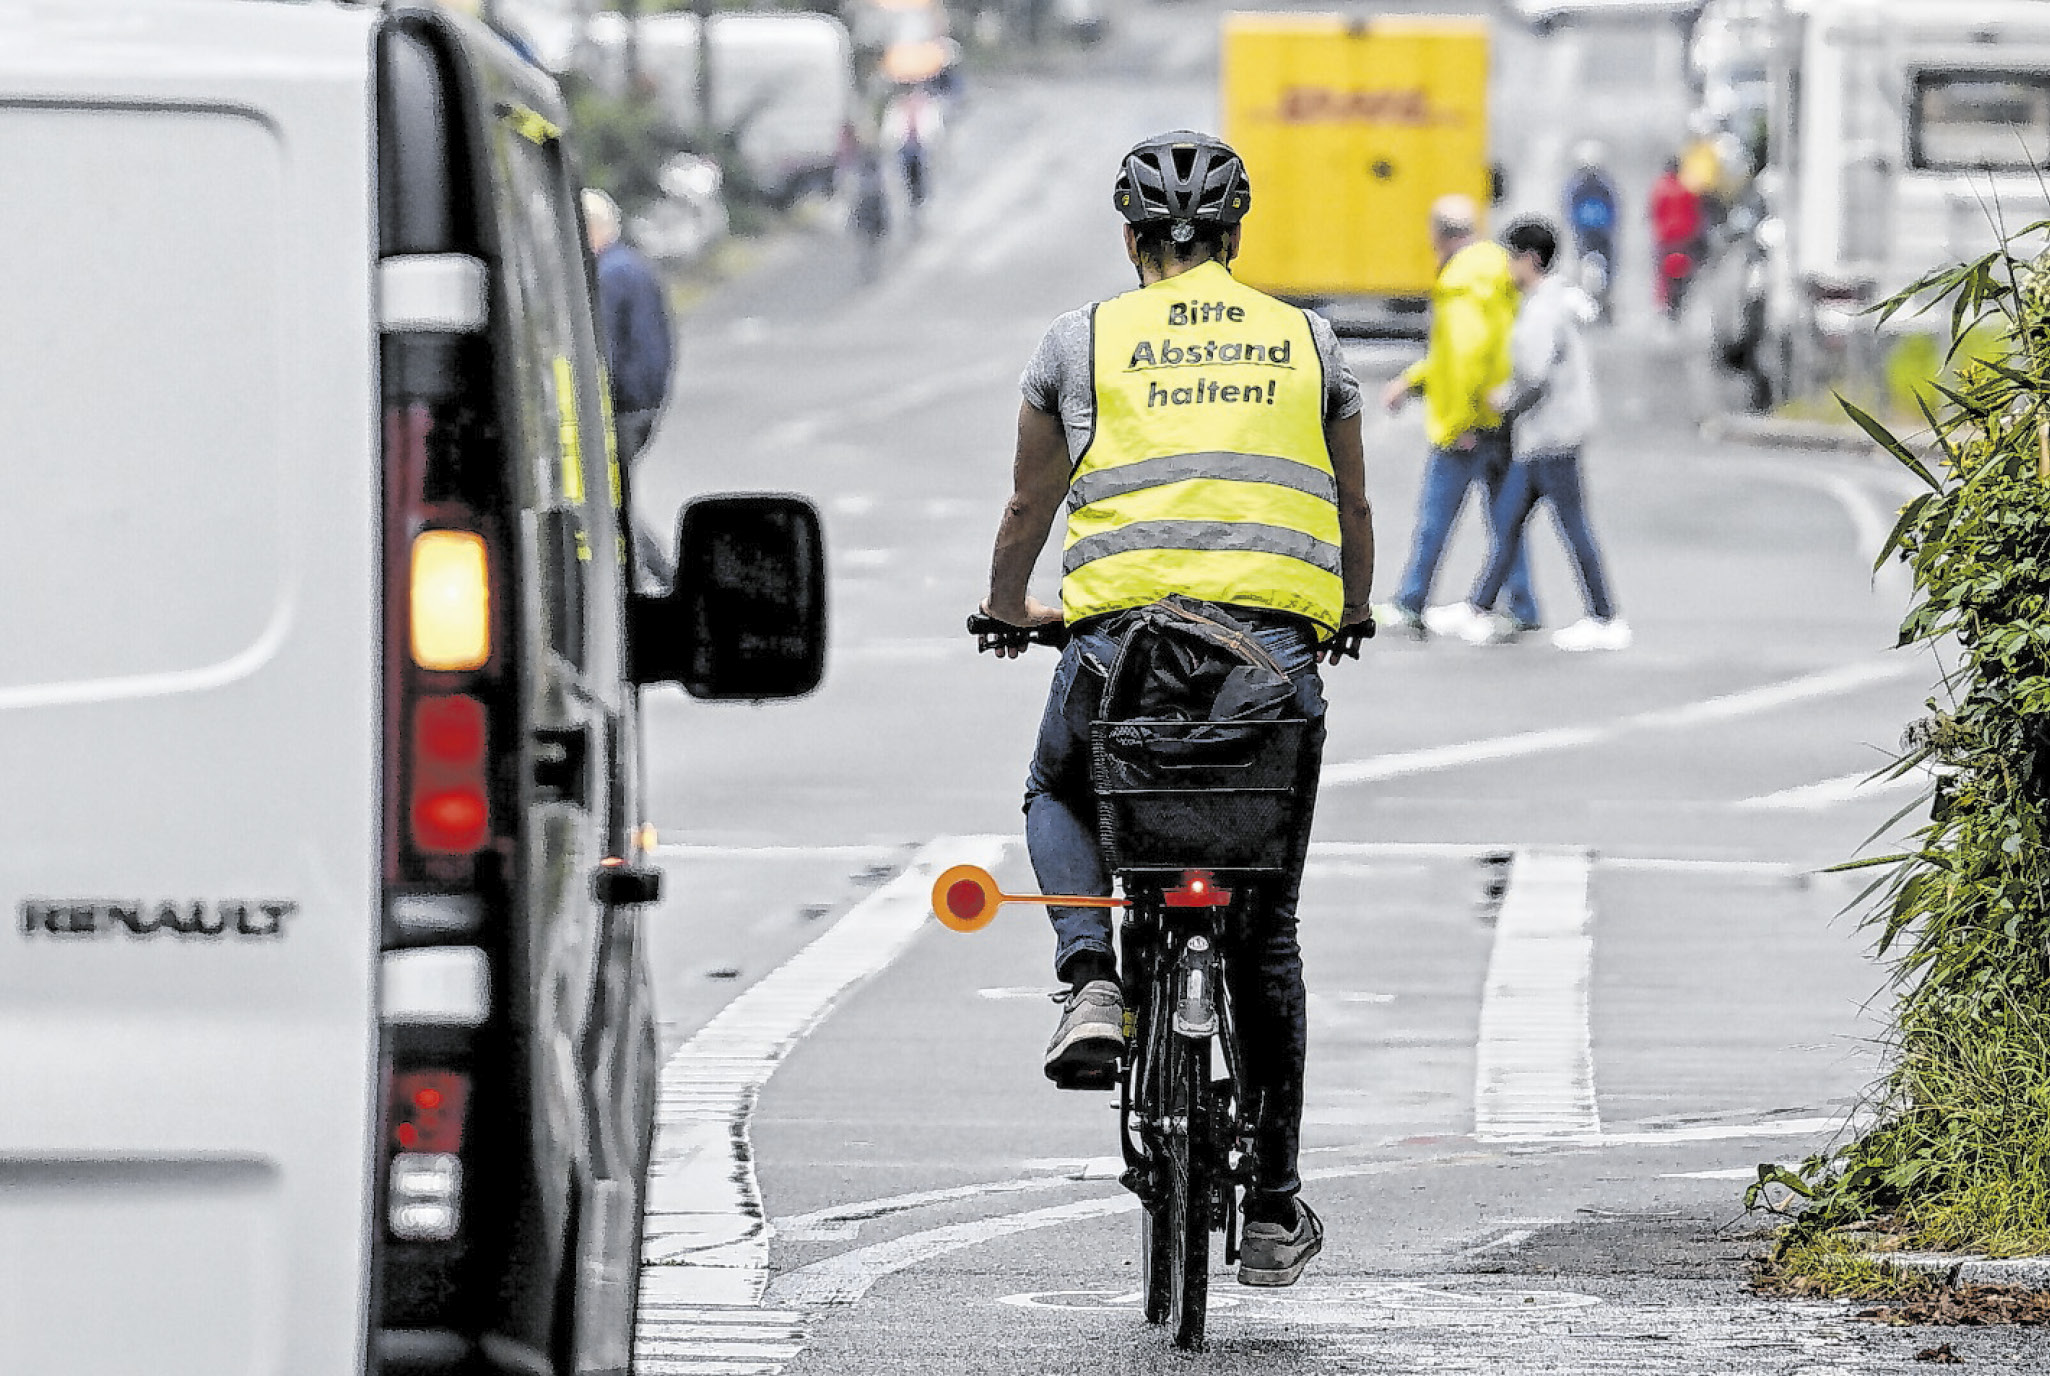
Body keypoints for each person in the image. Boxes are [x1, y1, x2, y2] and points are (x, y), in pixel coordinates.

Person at [978, 131, 1375, 1288]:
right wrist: (1349, 610)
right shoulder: (1307, 341)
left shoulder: (1080, 341)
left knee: (1056, 787)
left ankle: (1091, 974)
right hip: (1269, 666)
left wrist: (1008, 608)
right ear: (1235, 236)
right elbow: (1350, 501)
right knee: (1267, 928)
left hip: (1122, 652)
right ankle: (1275, 1205)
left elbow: (1027, 506)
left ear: (1131, 238)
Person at [1447, 217, 1629, 652]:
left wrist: (1504, 402)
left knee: (1570, 526)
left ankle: (1605, 617)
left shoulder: (1543, 309)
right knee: (1509, 520)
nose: (1508, 266)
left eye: (1512, 257)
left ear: (1530, 259)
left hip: (1551, 433)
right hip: (1546, 434)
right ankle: (1478, 607)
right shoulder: (1555, 301)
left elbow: (1534, 373)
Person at [1375, 195, 1536, 641]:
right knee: (1506, 519)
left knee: (1435, 518)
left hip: (1468, 424)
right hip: (1501, 416)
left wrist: (1463, 419)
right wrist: (1411, 381)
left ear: (1439, 235)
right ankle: (1522, 604)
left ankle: (1411, 602)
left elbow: (1465, 355)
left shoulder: (1460, 281)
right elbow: (1471, 353)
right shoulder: (1498, 271)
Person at [582, 188, 675, 462]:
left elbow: (604, 345)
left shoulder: (608, 275)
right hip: (645, 401)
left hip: (623, 404)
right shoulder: (633, 264)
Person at [1562, 141, 1618, 317]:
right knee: (1602, 266)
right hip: (1596, 232)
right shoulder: (1602, 184)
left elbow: (1569, 207)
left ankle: (1596, 302)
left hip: (1589, 232)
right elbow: (1613, 208)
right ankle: (1600, 303)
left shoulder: (1579, 184)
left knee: (1589, 265)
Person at [1648, 157, 1703, 317]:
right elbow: (1696, 213)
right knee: (1685, 270)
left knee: (1662, 273)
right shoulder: (1687, 189)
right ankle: (1680, 299)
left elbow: (1653, 212)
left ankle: (1664, 302)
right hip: (1685, 237)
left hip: (1665, 237)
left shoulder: (1659, 189)